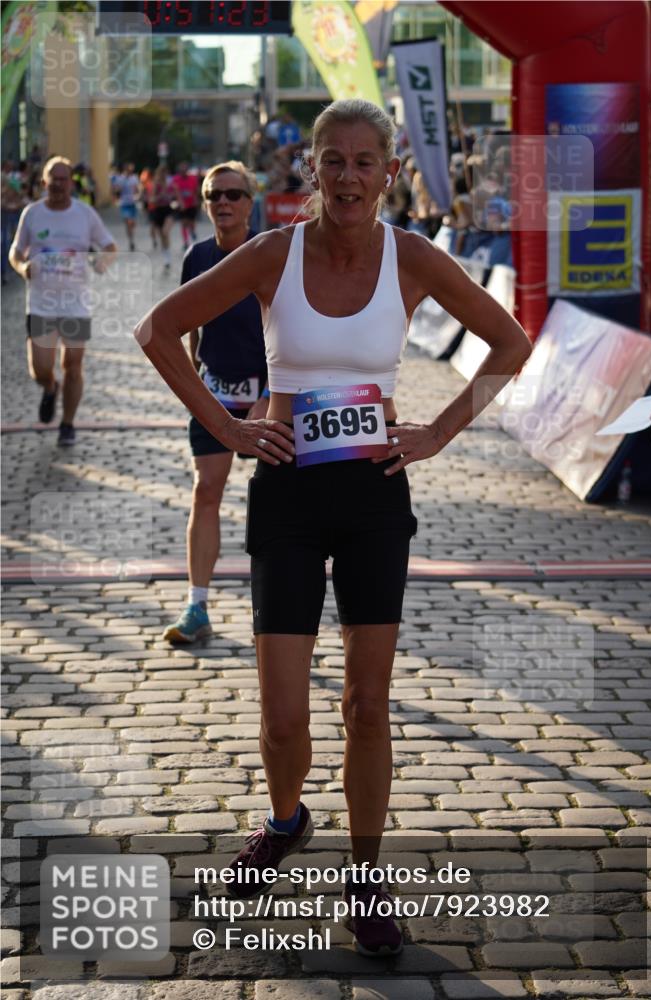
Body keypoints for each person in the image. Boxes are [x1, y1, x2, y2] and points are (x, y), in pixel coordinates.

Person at [135, 99, 532, 955]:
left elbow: (509, 344)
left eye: (364, 162)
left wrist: (439, 431)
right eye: (333, 161)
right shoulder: (271, 254)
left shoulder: (412, 257)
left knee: (365, 704)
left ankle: (365, 878)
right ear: (309, 168)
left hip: (372, 496)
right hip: (285, 490)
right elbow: (157, 330)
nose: (348, 177)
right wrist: (228, 426)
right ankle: (285, 821)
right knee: (283, 717)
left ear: (388, 173)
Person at [163, 161, 268, 644]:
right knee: (206, 490)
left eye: (232, 194)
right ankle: (196, 606)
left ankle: (281, 606)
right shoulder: (197, 256)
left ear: (250, 202)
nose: (222, 202)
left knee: (277, 499)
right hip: (216, 391)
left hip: (270, 395)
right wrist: (196, 385)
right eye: (213, 195)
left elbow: (290, 331)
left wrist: (270, 395)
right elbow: (186, 325)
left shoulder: (271, 254)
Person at [9, 156, 116, 445]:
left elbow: (110, 246)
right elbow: (15, 251)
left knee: (73, 364)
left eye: (63, 179)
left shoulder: (85, 214)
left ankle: (67, 424)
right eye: (52, 179)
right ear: (44, 182)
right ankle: (49, 387)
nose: (58, 184)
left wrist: (102, 262)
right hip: (41, 303)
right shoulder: (32, 213)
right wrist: (22, 267)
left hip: (75, 303)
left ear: (71, 182)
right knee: (40, 368)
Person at [148, 164, 177, 272]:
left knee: (165, 232)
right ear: (159, 173)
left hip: (168, 210)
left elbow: (176, 194)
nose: (164, 175)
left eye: (165, 172)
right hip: (158, 210)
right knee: (162, 236)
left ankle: (168, 255)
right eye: (162, 173)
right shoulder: (156, 184)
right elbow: (151, 199)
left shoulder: (170, 183)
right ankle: (166, 256)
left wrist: (174, 199)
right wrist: (160, 196)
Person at [113, 162, 140, 251]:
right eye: (128, 169)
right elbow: (116, 190)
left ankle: (131, 236)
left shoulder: (134, 178)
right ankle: (131, 241)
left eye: (131, 169)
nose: (129, 170)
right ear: (125, 169)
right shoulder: (120, 178)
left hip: (133, 203)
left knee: (132, 223)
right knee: (128, 222)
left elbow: (137, 190)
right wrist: (118, 191)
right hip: (124, 204)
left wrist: (137, 195)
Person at [173, 162, 199, 250]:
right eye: (182, 169)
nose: (183, 171)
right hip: (183, 205)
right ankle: (186, 242)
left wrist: (196, 200)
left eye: (185, 169)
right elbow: (176, 191)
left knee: (191, 222)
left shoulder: (192, 178)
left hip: (192, 204)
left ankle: (192, 231)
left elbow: (196, 190)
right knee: (184, 223)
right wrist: (181, 203)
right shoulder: (176, 179)